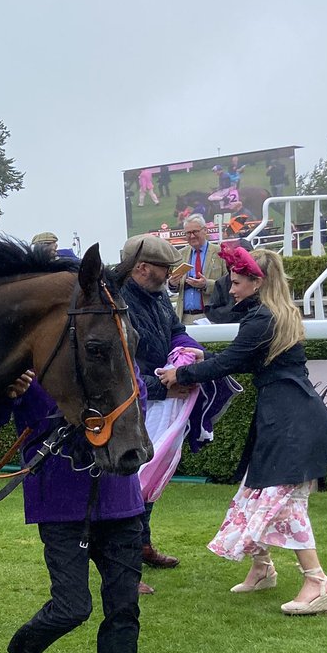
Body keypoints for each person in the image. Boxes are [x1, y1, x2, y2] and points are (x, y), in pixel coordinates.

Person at [0, 371, 173, 653]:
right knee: (72, 607)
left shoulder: (114, 354)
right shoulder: (30, 364)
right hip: (59, 502)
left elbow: (137, 400)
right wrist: (8, 393)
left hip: (120, 499)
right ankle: (24, 648)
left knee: (124, 608)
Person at [156, 246, 327, 615]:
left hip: (290, 421)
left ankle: (318, 582)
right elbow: (242, 356)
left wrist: (181, 374)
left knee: (283, 502)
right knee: (253, 493)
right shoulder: (274, 314)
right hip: (289, 415)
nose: (231, 290)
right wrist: (205, 360)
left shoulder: (262, 318)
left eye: (236, 283)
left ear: (258, 282)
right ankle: (262, 568)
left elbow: (231, 362)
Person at [118, 234, 203, 578]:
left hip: (157, 403)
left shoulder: (157, 297)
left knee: (150, 481)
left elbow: (178, 332)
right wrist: (165, 385)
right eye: (165, 268)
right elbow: (117, 367)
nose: (170, 274)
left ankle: (141, 544)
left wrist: (190, 357)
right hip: (127, 410)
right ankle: (123, 564)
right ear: (141, 268)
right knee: (127, 486)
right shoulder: (115, 301)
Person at [174, 214, 226, 324]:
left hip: (211, 317)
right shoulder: (180, 255)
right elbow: (174, 288)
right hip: (185, 318)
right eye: (188, 233)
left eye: (195, 232)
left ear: (205, 230)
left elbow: (228, 285)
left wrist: (206, 284)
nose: (192, 236)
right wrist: (173, 284)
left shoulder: (220, 253)